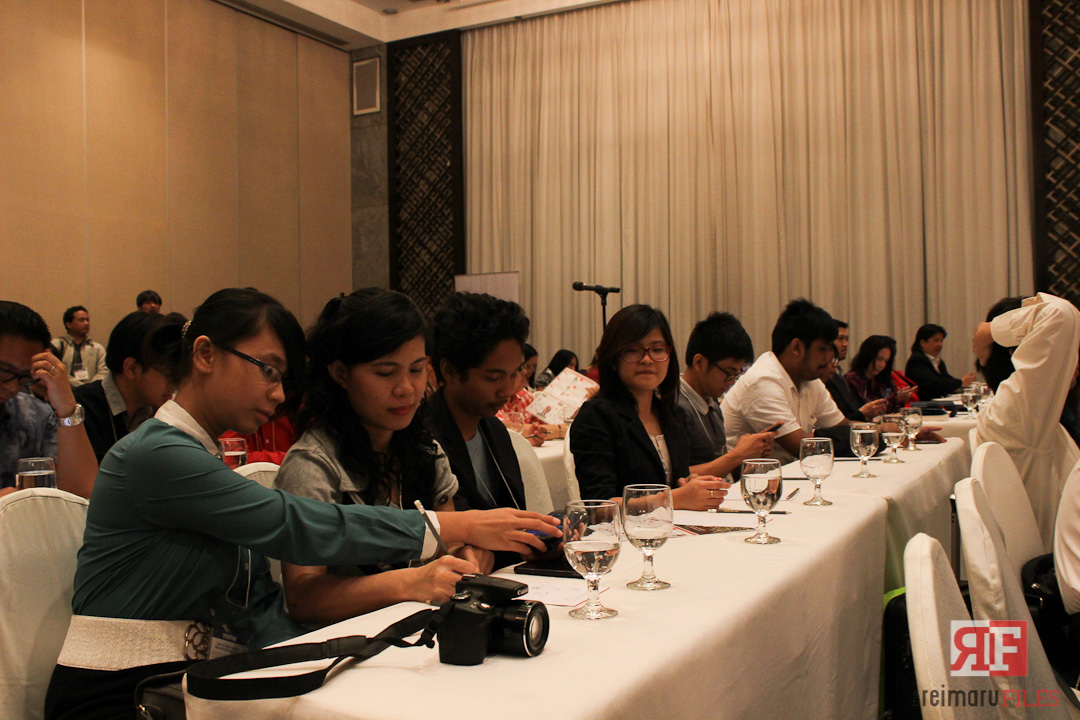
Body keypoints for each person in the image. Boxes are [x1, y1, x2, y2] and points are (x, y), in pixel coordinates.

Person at [43, 288, 558, 720]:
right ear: (204, 355)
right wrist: (452, 527)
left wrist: (345, 654)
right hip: (118, 693)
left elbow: (260, 605)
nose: (277, 395)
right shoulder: (156, 454)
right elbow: (293, 524)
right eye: (267, 370)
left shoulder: (195, 453)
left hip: (188, 683)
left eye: (283, 378)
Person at [275, 289, 497, 624]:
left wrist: (467, 556)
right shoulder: (313, 466)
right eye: (385, 372)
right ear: (340, 373)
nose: (406, 388)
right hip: (348, 642)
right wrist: (410, 583)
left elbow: (448, 544)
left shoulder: (426, 451)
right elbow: (303, 598)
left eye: (417, 369)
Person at [571, 304, 728, 509]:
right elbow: (599, 506)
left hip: (674, 526)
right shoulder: (596, 417)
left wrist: (688, 484)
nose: (647, 359)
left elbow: (675, 484)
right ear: (613, 360)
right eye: (633, 350)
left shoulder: (675, 416)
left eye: (657, 350)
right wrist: (673, 498)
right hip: (622, 530)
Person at [972, 292, 1080, 549]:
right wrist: (988, 332)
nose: (1071, 361)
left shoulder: (1030, 415)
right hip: (1050, 559)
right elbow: (1060, 315)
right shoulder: (1018, 412)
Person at [425, 292, 531, 513]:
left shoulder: (495, 431)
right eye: (493, 378)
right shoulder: (423, 438)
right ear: (450, 371)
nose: (507, 390)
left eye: (514, 374)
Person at [0, 301, 97, 498]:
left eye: (24, 377)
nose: (12, 387)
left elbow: (82, 494)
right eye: (4, 372)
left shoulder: (36, 415)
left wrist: (66, 407)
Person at [72, 311, 184, 462]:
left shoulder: (161, 410)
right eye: (170, 373)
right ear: (131, 368)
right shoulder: (79, 409)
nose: (177, 382)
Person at [676, 312, 775, 480]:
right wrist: (738, 455)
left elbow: (724, 470)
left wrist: (750, 454)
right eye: (729, 373)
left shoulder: (712, 402)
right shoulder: (675, 406)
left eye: (737, 374)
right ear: (699, 362)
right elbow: (678, 477)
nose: (732, 382)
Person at [824, 320, 887, 421]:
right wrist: (863, 413)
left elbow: (850, 413)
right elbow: (837, 421)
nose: (845, 344)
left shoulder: (838, 376)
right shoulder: (825, 377)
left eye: (847, 339)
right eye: (840, 339)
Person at [844, 335, 916, 414]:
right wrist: (895, 399)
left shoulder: (884, 378)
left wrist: (898, 400)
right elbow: (864, 410)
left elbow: (895, 409)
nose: (882, 365)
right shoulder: (852, 379)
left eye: (886, 361)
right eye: (879, 359)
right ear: (867, 356)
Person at [903, 324, 975, 399]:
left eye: (941, 341)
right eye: (936, 340)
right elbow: (933, 383)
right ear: (923, 343)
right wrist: (961, 382)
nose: (940, 345)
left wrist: (963, 385)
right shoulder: (917, 360)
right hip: (924, 404)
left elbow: (947, 380)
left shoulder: (938, 362)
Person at [52, 305, 107, 387]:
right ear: (69, 324)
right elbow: (54, 371)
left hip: (91, 390)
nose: (86, 323)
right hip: (64, 389)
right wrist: (80, 386)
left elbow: (103, 372)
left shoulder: (97, 348)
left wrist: (90, 387)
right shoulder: (57, 345)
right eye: (81, 320)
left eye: (87, 320)